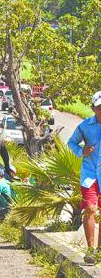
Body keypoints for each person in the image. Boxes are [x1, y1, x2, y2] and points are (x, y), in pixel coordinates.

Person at [67, 92, 101, 263]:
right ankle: (90, 250)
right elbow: (71, 142)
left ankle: (100, 251)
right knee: (90, 209)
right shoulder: (85, 126)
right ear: (93, 108)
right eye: (100, 107)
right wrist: (82, 151)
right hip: (89, 175)